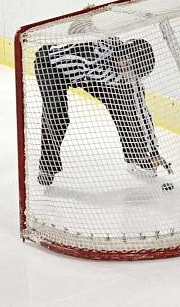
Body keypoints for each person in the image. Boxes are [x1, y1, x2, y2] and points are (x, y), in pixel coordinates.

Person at [34, 26, 167, 187]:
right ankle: (47, 166)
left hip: (85, 72)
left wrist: (153, 151)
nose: (134, 78)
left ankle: (138, 156)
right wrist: (80, 24)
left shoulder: (119, 61)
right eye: (134, 73)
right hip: (50, 67)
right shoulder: (94, 57)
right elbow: (77, 32)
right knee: (57, 116)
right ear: (125, 62)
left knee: (122, 104)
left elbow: (140, 111)